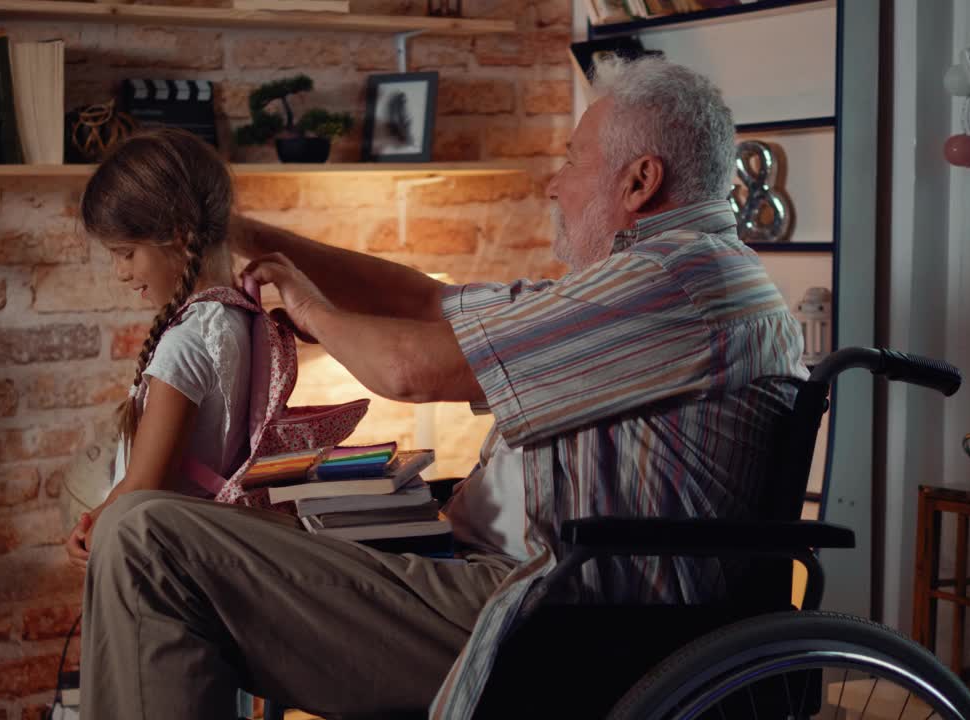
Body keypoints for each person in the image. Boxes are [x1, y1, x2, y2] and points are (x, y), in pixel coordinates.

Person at [77, 55, 808, 720]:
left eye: (572, 159)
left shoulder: (673, 287)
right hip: (495, 582)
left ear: (640, 181)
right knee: (176, 543)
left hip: (546, 622)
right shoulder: (654, 281)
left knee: (145, 537)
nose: (555, 182)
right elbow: (427, 304)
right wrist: (237, 231)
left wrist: (309, 311)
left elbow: (407, 369)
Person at [63, 128, 252, 570]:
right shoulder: (236, 316)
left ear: (180, 236)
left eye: (126, 253)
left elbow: (146, 484)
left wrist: (91, 529)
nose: (120, 272)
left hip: (163, 565)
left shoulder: (185, 343)